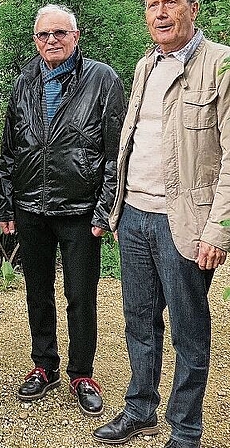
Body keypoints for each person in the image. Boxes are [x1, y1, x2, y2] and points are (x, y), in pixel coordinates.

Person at [93, 1, 230, 447]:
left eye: (171, 1)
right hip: (133, 216)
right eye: (152, 4)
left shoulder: (220, 64)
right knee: (139, 320)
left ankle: (186, 430)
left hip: (185, 223)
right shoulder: (144, 64)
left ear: (193, 7)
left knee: (188, 330)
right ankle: (140, 409)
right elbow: (131, 139)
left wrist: (218, 230)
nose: (161, 12)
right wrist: (116, 208)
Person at [0, 3, 125, 416]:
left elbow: (115, 151)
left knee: (80, 295)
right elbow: (10, 149)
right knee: (38, 292)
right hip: (31, 206)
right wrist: (7, 203)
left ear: (75, 36)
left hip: (81, 210)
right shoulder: (24, 82)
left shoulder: (101, 79)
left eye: (59, 33)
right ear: (35, 41)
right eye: (43, 36)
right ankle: (44, 365)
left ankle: (82, 373)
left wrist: (105, 209)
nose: (51, 41)